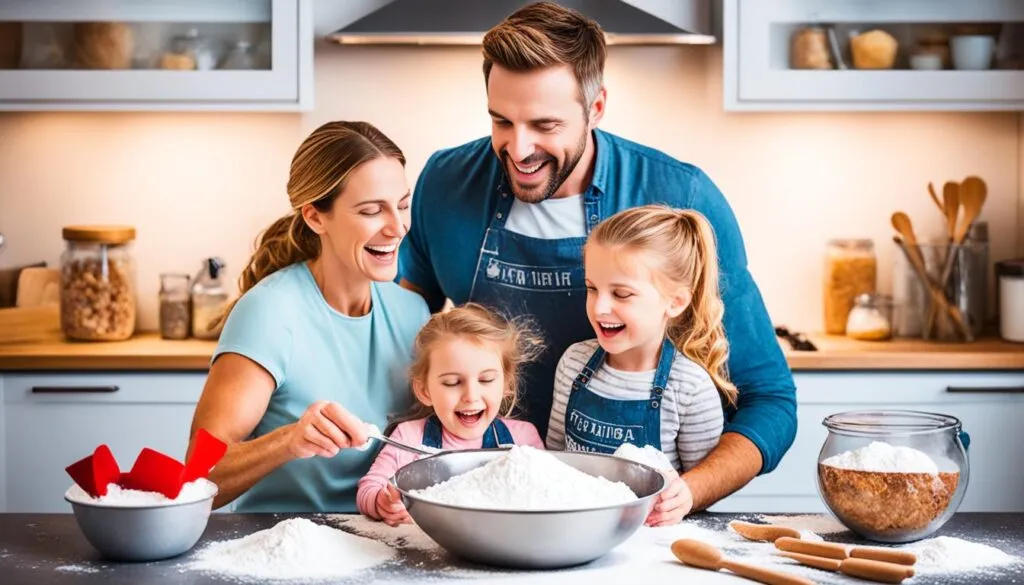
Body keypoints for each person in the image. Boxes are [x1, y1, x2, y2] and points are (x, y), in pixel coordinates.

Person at [398, 1, 796, 513]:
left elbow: (771, 401)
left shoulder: (679, 194)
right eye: (502, 121)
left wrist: (690, 492)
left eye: (545, 125)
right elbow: (399, 335)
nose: (518, 150)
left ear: (598, 106)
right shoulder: (446, 183)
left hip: (643, 521)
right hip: (485, 503)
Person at [187, 121, 430, 512]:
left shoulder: (412, 313)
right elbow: (199, 475)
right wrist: (289, 441)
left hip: (380, 544)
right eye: (372, 211)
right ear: (316, 218)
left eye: (402, 205)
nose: (398, 227)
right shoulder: (269, 313)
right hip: (278, 544)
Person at [546, 205, 734, 526]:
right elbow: (556, 460)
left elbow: (696, 495)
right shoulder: (573, 363)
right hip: (572, 530)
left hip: (652, 544)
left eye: (621, 293)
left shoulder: (689, 387)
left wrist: (681, 500)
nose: (600, 307)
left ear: (674, 302)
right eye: (592, 288)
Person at [356, 303, 546, 526]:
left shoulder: (523, 439)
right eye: (452, 382)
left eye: (486, 380)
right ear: (425, 391)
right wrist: (383, 503)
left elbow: (545, 493)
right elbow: (369, 488)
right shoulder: (408, 437)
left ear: (506, 384)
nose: (471, 396)